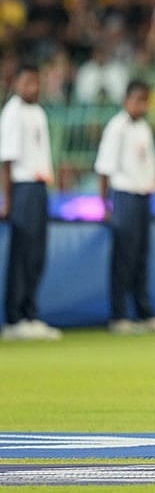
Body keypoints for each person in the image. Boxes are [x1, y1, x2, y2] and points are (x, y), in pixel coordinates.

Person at [95, 80, 155, 335]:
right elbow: (104, 168)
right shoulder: (117, 127)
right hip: (125, 196)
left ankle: (144, 313)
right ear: (126, 101)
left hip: (143, 196)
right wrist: (105, 204)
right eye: (137, 100)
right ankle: (119, 315)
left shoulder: (143, 127)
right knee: (124, 257)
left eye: (145, 101)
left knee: (141, 256)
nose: (141, 106)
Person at [0, 65, 61, 341]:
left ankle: (30, 313)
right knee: (22, 254)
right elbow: (6, 161)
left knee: (36, 255)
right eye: (27, 83)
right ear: (16, 83)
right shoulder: (13, 112)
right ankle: (15, 318)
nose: (33, 88)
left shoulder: (38, 112)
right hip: (22, 186)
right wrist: (7, 199)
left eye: (36, 83)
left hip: (38, 185)